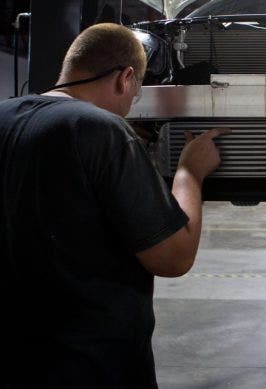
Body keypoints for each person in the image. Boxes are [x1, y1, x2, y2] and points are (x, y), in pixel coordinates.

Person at [0, 23, 229, 388]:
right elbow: (173, 257)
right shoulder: (102, 130)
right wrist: (189, 171)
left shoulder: (5, 116)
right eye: (134, 93)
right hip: (92, 365)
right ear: (125, 78)